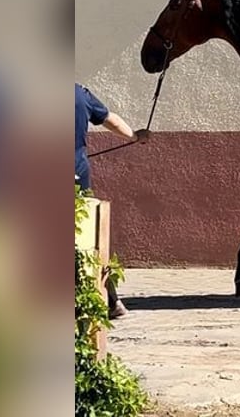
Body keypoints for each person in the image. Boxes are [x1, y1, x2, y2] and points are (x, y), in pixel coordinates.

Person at [75, 83, 150, 318]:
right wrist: (135, 136)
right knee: (86, 240)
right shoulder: (79, 93)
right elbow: (110, 119)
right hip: (77, 176)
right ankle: (111, 301)